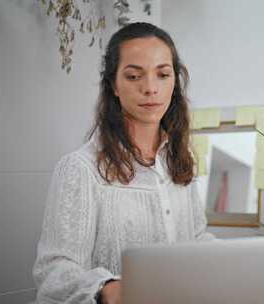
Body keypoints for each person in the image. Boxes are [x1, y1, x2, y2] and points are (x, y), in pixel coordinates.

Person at [32, 22, 214, 304]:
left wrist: (241, 261)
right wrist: (109, 289)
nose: (151, 88)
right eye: (133, 76)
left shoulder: (181, 158)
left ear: (174, 82)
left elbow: (196, 237)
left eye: (163, 74)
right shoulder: (80, 168)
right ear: (114, 86)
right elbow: (54, 273)